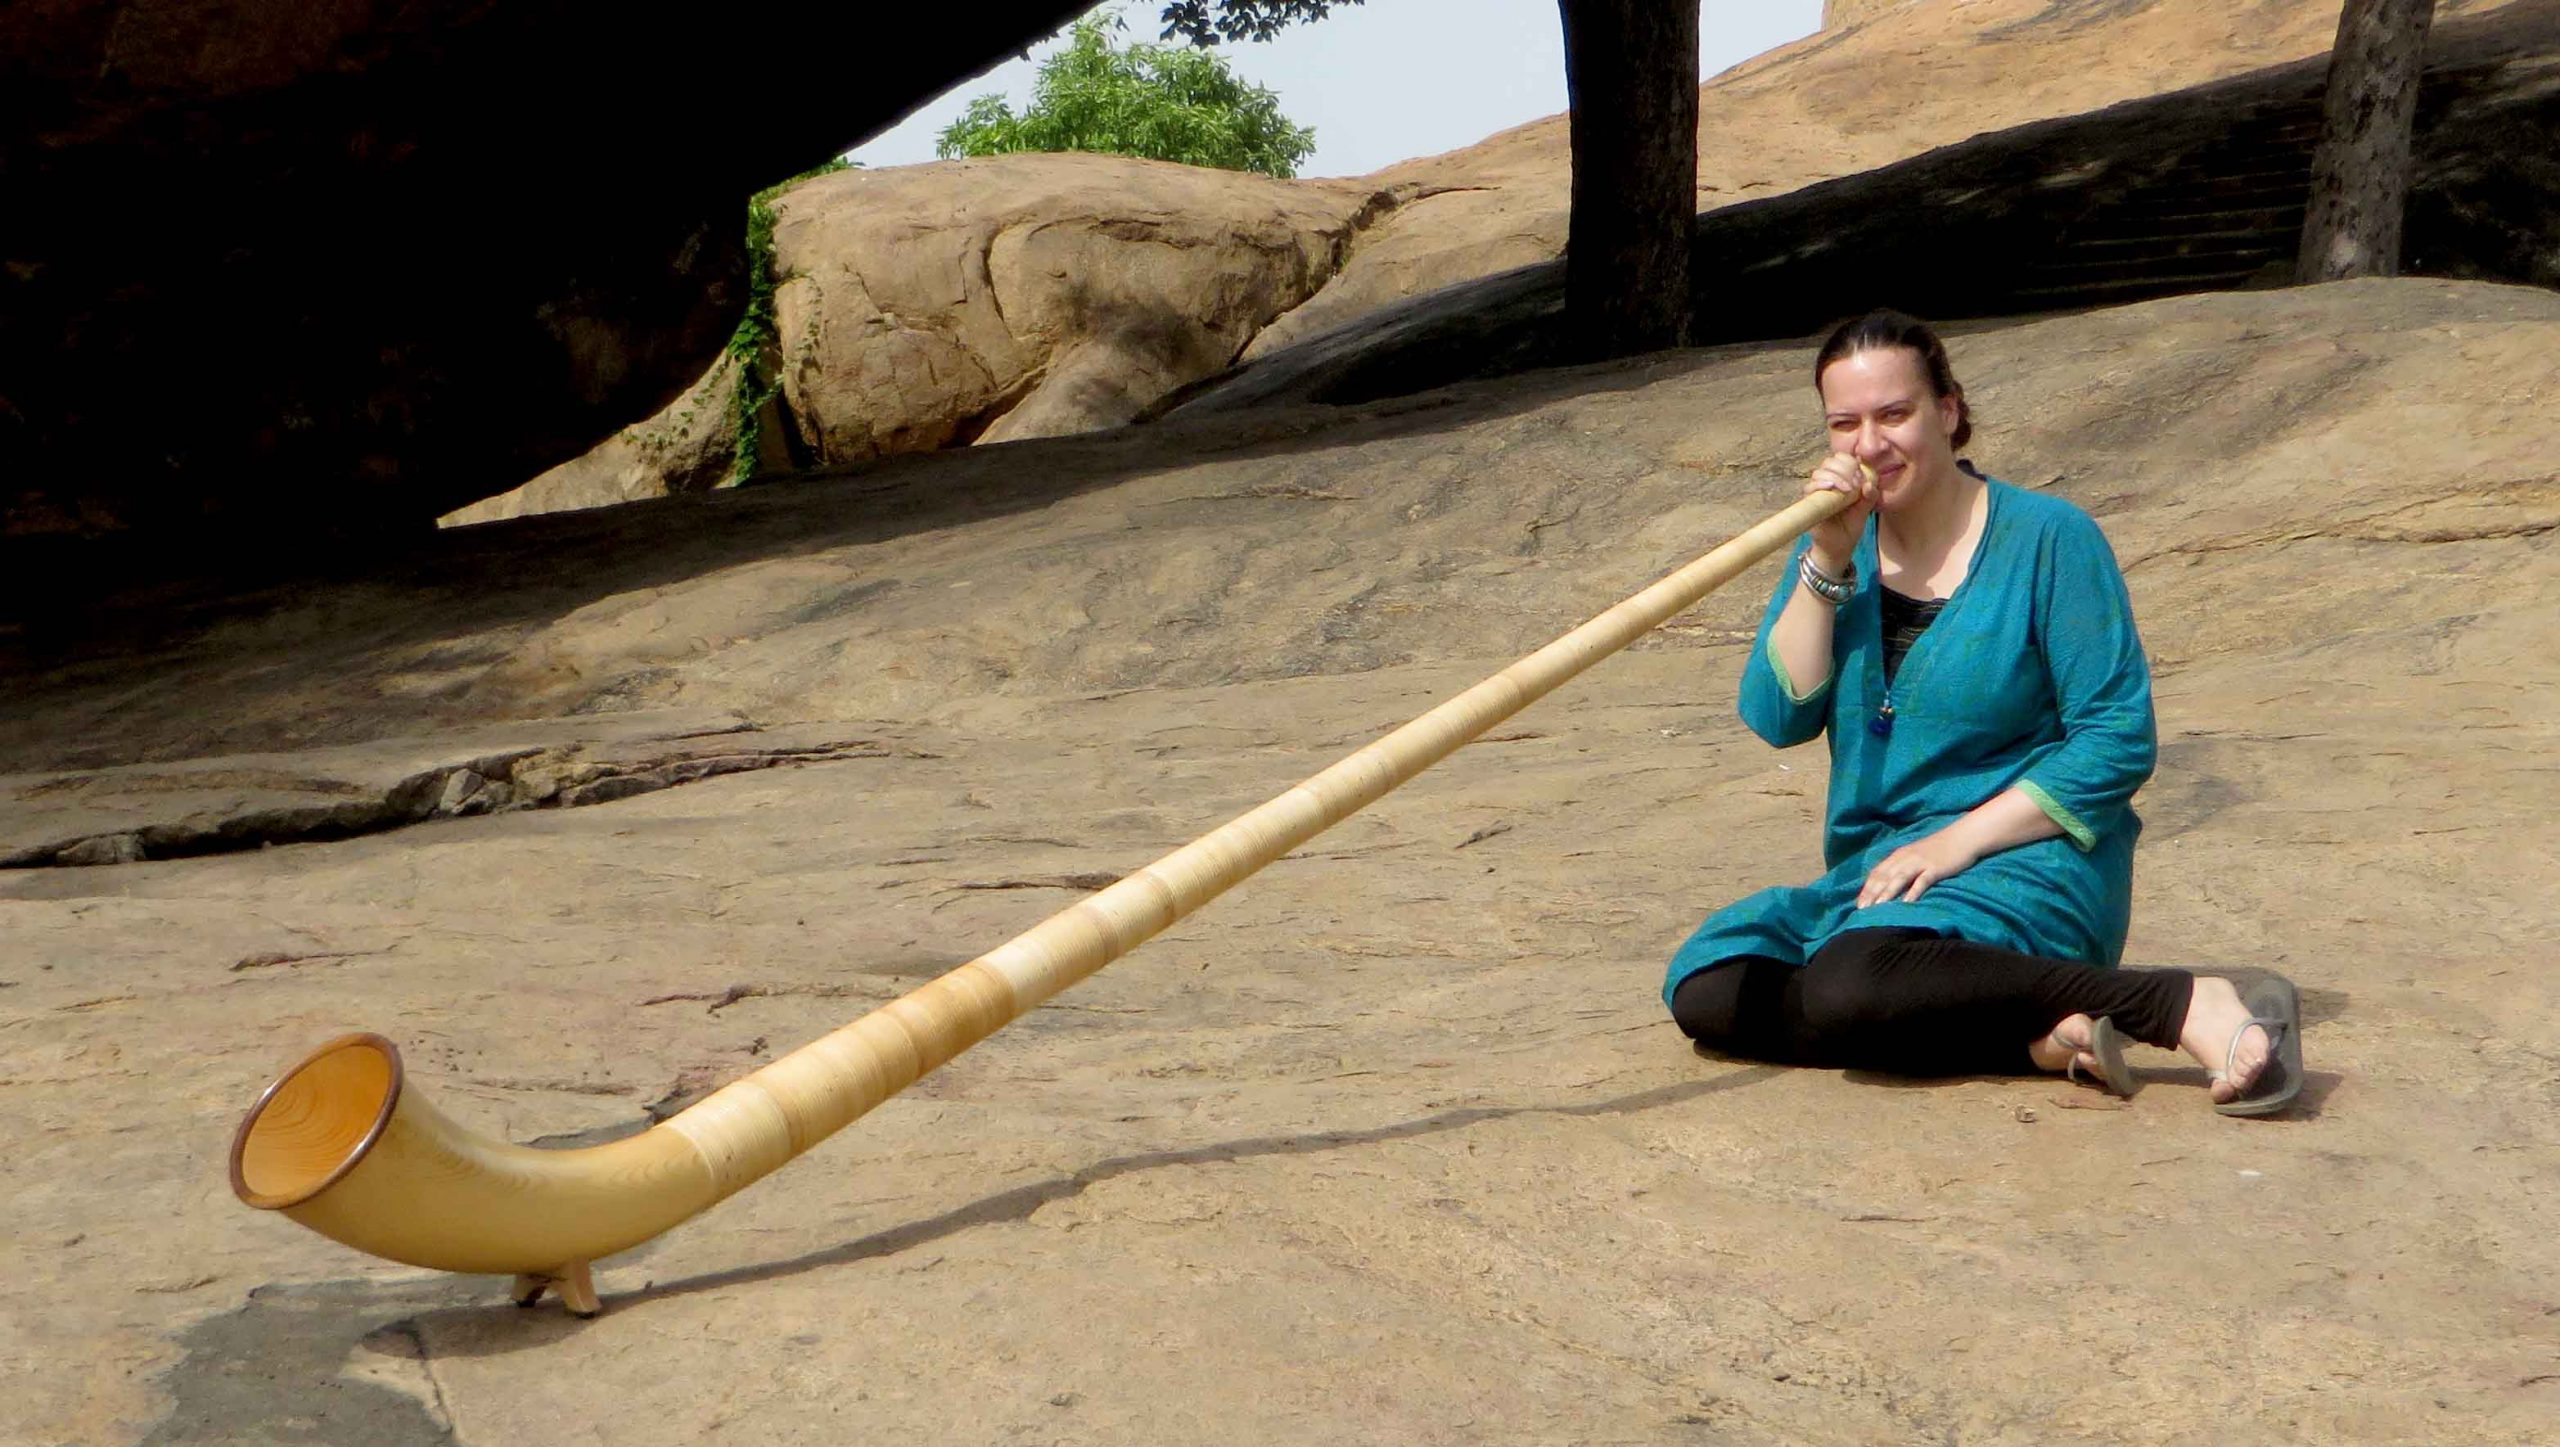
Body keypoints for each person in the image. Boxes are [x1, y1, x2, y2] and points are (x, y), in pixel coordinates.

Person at [1663, 309, 2301, 1115]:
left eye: (1895, 414)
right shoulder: (1834, 547)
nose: (1869, 445)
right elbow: (1777, 714)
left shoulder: (2050, 539)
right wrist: (1825, 558)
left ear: (1949, 410)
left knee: (1848, 987)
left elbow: (2116, 739)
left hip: (2030, 864)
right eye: (1845, 424)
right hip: (1884, 881)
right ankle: (2038, 1039)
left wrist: (1958, 839)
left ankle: (2175, 1003)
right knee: (1710, 986)